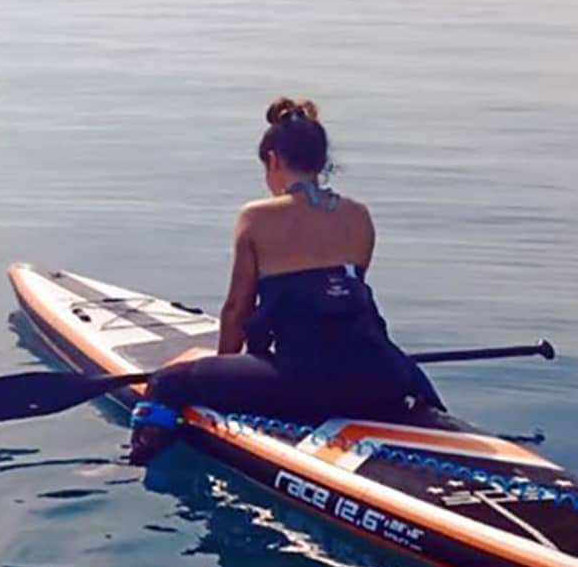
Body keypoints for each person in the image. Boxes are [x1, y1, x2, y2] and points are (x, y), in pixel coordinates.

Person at [128, 97, 443, 464]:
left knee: (167, 384)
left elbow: (237, 311)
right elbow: (343, 304)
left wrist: (223, 377)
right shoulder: (359, 216)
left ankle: (135, 459)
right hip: (383, 378)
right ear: (322, 163)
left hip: (304, 383)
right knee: (403, 373)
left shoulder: (256, 217)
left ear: (273, 160)